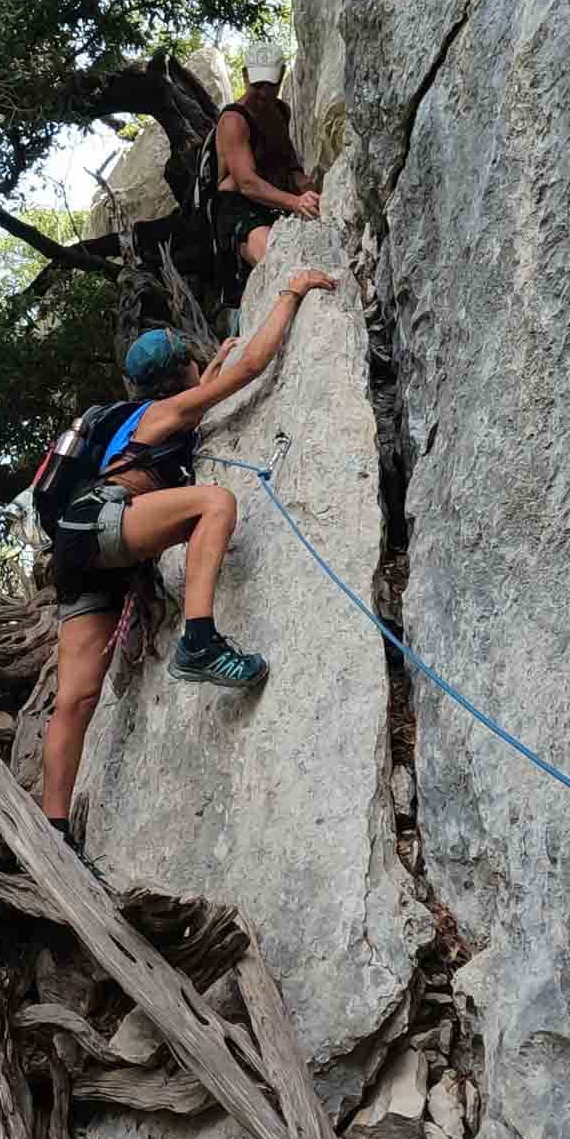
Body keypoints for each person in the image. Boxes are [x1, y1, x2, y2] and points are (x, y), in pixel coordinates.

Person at [40, 267, 340, 851]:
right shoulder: (168, 414)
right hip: (107, 520)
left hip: (77, 547)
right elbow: (254, 367)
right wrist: (291, 292)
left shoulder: (131, 419)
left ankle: (50, 829)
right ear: (181, 375)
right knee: (214, 503)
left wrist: (212, 368)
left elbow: (208, 390)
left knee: (75, 697)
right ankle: (200, 640)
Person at [214, 41, 320, 269]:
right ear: (244, 76)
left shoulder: (281, 111)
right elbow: (247, 183)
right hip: (239, 207)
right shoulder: (234, 121)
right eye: (256, 84)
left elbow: (286, 156)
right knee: (278, 264)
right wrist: (296, 201)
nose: (262, 92)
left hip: (274, 200)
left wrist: (302, 182)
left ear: (281, 77)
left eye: (269, 85)